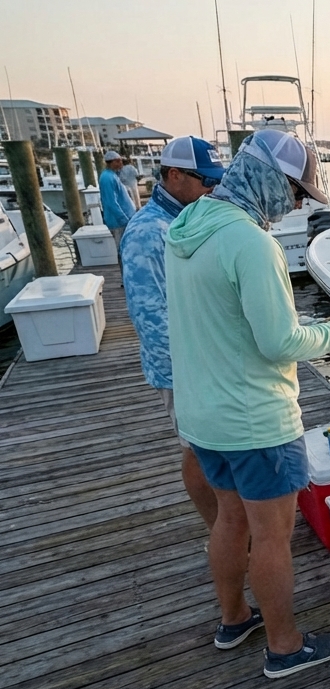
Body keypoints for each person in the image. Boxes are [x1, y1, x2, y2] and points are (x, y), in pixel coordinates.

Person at [166, 129, 330, 678]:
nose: (298, 205)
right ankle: (284, 645)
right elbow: (279, 342)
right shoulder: (251, 244)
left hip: (203, 416)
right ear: (269, 180)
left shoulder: (186, 227)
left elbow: (234, 321)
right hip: (255, 421)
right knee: (272, 537)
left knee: (229, 519)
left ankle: (234, 618)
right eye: (296, 192)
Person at [120, 136, 226, 536]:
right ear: (175, 174)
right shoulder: (148, 232)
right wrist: (190, 370)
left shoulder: (190, 217)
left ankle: (229, 525)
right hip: (182, 368)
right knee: (197, 450)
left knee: (212, 448)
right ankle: (220, 531)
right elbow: (150, 316)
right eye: (205, 180)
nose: (212, 189)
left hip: (204, 359)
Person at [99, 150, 136, 247]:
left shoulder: (113, 175)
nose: (121, 163)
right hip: (118, 223)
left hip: (125, 220)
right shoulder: (107, 178)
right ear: (110, 162)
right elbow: (110, 202)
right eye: (118, 161)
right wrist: (124, 220)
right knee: (122, 247)